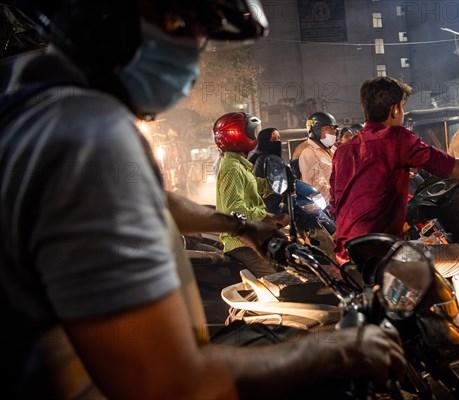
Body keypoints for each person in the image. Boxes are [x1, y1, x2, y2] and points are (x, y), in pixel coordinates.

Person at [0, 2, 406, 399]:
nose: (198, 49)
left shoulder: (30, 99)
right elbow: (170, 383)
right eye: (181, 22)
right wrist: (336, 349)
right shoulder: (88, 136)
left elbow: (153, 200)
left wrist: (241, 226)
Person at [330, 76, 459, 353]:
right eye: (402, 107)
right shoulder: (396, 138)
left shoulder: (344, 150)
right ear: (394, 110)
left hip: (347, 254)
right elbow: (452, 167)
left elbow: (337, 202)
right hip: (384, 256)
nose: (402, 114)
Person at [214, 113, 289, 277]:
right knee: (278, 279)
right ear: (240, 135)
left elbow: (256, 185)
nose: (254, 136)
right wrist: (268, 217)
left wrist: (283, 184)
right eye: (251, 132)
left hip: (253, 236)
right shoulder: (232, 168)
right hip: (241, 243)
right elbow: (234, 209)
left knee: (287, 263)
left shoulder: (240, 165)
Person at [292, 111, 338, 202]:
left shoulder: (333, 149)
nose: (333, 132)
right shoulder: (308, 153)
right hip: (330, 206)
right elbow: (317, 187)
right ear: (315, 130)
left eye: (333, 129)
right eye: (328, 128)